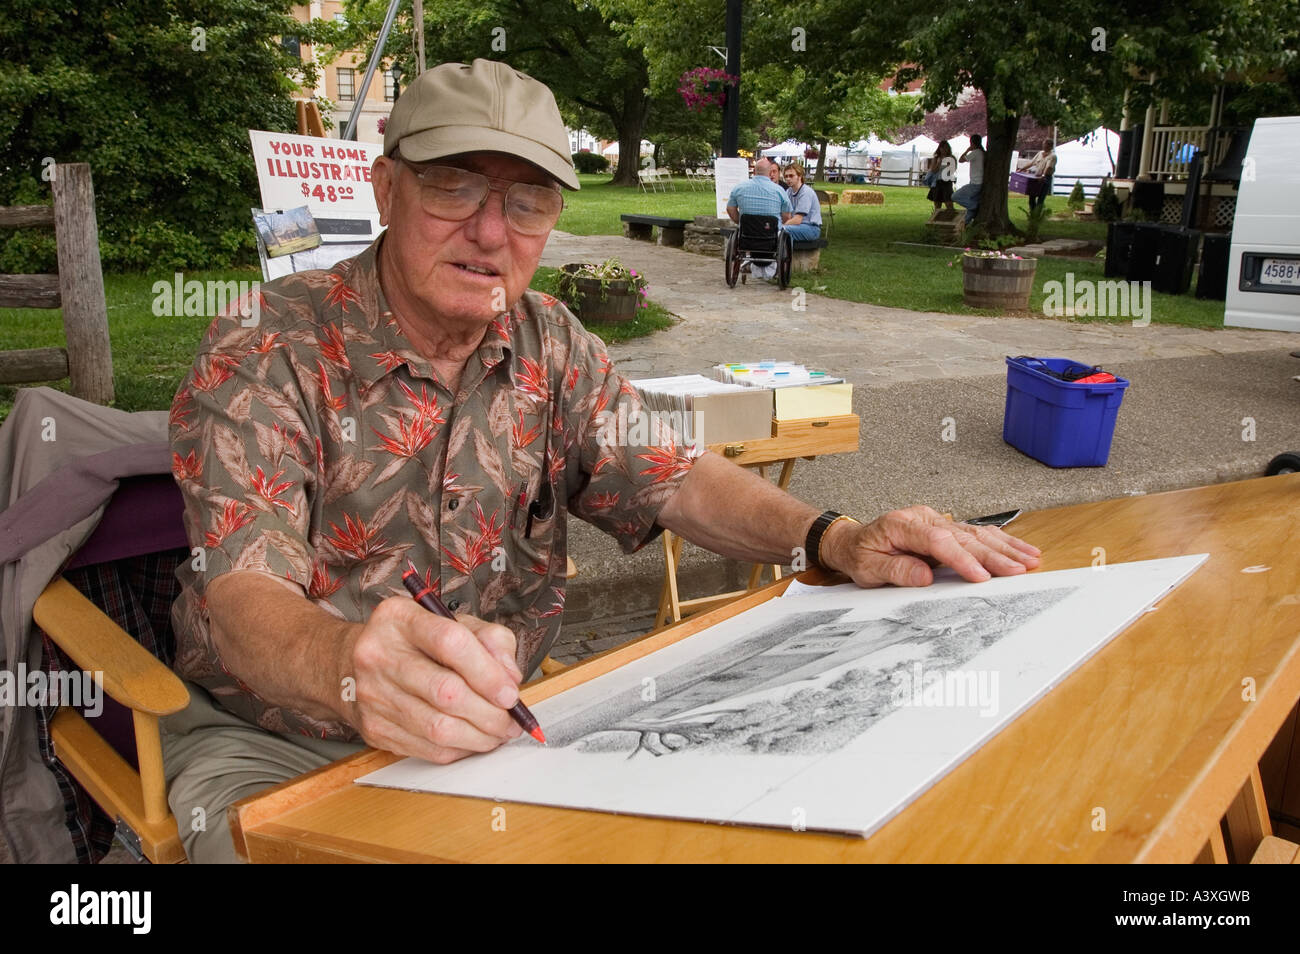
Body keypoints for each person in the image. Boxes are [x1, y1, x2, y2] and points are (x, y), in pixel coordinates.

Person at [166, 59, 1041, 862]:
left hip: (502, 738)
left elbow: (675, 476)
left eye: (528, 201)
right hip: (278, 744)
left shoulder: (550, 342)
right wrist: (351, 667)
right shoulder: (263, 347)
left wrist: (831, 538)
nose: (488, 231)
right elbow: (244, 597)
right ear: (385, 188)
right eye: (453, 187)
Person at [726, 157, 793, 279]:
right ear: (770, 172)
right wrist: (779, 224)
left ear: (754, 171)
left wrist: (740, 222)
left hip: (746, 234)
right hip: (771, 235)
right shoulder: (779, 190)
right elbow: (787, 215)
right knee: (784, 232)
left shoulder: (739, 188)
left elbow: (730, 209)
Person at [781, 162, 822, 242]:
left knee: (782, 231)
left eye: (791, 176)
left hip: (811, 228)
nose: (788, 179)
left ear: (799, 176)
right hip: (797, 226)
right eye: (786, 176)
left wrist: (780, 226)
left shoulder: (806, 192)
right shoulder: (788, 191)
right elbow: (785, 214)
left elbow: (797, 219)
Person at [953, 134, 985, 225]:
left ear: (972, 143)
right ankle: (965, 223)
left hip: (975, 183)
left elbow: (961, 160)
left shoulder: (975, 153)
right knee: (972, 201)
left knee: (955, 196)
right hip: (980, 182)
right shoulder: (982, 153)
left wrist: (967, 150)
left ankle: (974, 206)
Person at [1019, 138, 1057, 210]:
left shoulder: (1052, 156)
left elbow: (1048, 167)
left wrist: (1043, 176)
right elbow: (1032, 162)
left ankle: (1038, 215)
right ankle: (1032, 214)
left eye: (1046, 145)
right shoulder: (1040, 153)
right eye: (1044, 145)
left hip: (1046, 178)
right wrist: (1022, 169)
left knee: (1041, 199)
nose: (1044, 146)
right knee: (1032, 197)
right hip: (1036, 177)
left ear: (1050, 146)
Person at [926, 141, 957, 213]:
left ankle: (950, 219)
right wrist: (939, 162)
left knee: (949, 203)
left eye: (946, 148)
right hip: (937, 182)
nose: (944, 150)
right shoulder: (936, 158)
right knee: (937, 204)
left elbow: (953, 170)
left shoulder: (952, 158)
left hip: (947, 182)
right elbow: (933, 170)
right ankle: (936, 220)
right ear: (940, 148)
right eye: (942, 148)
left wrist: (948, 164)